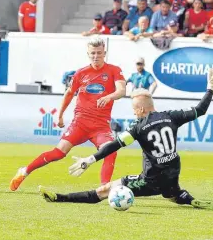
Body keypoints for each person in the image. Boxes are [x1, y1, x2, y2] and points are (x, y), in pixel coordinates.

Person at [38, 64, 213, 210]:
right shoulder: (171, 116)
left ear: (141, 109)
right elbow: (200, 110)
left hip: (151, 179)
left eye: (134, 110)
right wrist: (210, 86)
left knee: (104, 191)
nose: (134, 113)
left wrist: (91, 159)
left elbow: (114, 145)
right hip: (173, 171)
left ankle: (59, 198)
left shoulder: (138, 127)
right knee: (171, 194)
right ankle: (184, 197)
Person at [9, 37, 126, 191]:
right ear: (88, 54)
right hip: (81, 123)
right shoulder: (81, 73)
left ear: (105, 53)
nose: (96, 56)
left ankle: (104, 188)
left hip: (101, 126)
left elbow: (122, 91)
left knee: (110, 151)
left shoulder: (114, 70)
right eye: (92, 53)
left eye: (99, 53)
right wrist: (60, 115)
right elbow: (69, 93)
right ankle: (24, 171)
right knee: (59, 153)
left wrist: (109, 96)